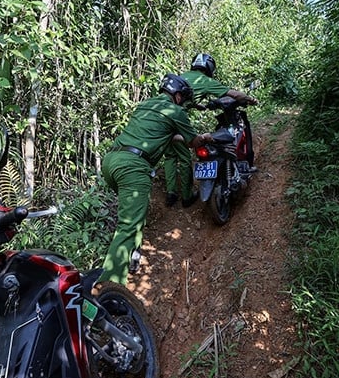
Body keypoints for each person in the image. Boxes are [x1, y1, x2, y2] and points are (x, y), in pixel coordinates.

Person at [100, 74, 213, 284]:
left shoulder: (145, 106)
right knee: (127, 226)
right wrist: (206, 137)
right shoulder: (175, 111)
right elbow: (192, 141)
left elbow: (167, 135)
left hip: (110, 162)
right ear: (178, 96)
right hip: (133, 167)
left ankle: (132, 256)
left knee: (135, 214)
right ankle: (109, 288)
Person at [163, 53, 259, 206]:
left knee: (170, 156)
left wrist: (196, 105)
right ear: (209, 67)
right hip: (177, 120)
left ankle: (171, 193)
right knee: (185, 158)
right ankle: (187, 197)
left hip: (162, 119)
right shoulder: (206, 81)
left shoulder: (181, 77)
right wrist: (250, 99)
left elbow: (182, 96)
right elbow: (233, 94)